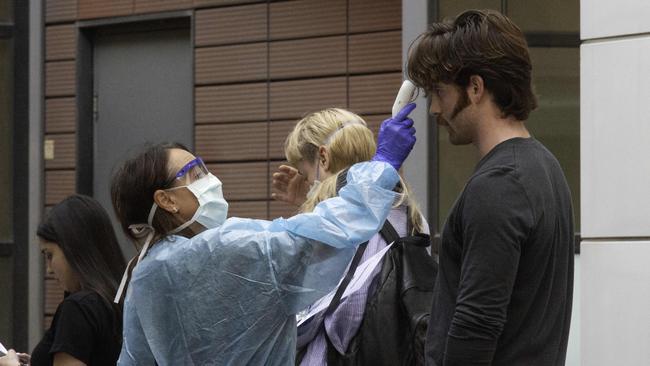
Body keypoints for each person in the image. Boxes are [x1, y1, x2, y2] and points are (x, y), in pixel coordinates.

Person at [111, 104, 417, 365]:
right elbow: (322, 237)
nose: (210, 178)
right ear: (167, 200)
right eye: (196, 172)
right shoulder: (225, 248)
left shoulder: (145, 273)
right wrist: (383, 165)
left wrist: (306, 202)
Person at [407, 9, 574, 366]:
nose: (434, 107)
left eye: (439, 91)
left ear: (476, 87)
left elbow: (476, 325)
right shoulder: (545, 167)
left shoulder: (498, 185)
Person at [272, 106, 432, 365]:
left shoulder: (328, 226)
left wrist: (309, 211)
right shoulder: (409, 212)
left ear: (323, 157)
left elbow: (306, 323)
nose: (309, 183)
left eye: (305, 173)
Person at [31, 194, 127, 366]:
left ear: (73, 248)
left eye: (49, 255)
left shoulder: (78, 308)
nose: (49, 269)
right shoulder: (126, 296)